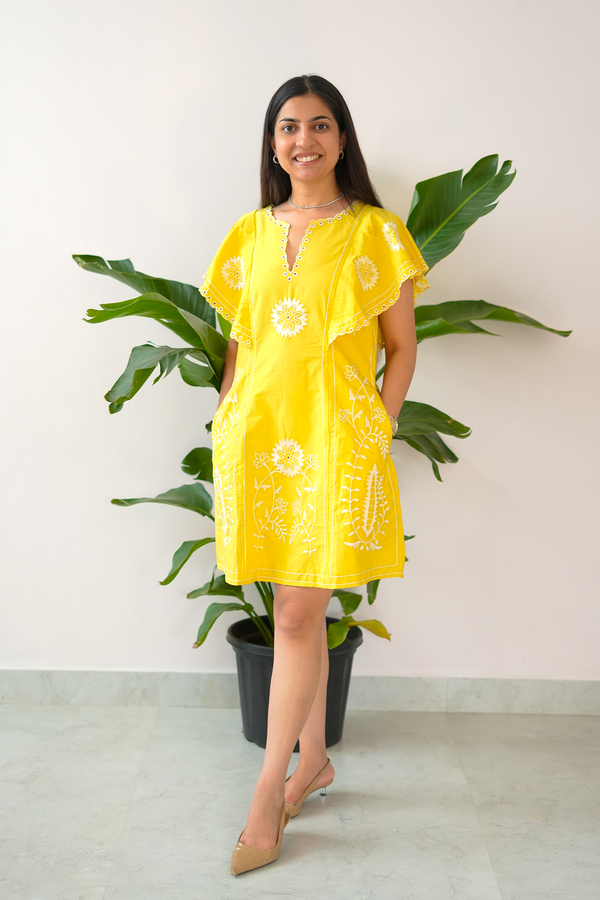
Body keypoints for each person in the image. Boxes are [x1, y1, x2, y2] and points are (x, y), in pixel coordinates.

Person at [200, 74, 429, 875]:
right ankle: (316, 759)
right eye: (290, 127)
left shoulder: (376, 232)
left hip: (336, 445)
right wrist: (228, 415)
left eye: (321, 125)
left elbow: (401, 347)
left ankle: (269, 796)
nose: (306, 140)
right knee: (287, 607)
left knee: (297, 618)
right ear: (273, 143)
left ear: (342, 139)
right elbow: (241, 342)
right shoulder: (248, 235)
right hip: (260, 444)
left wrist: (377, 425)